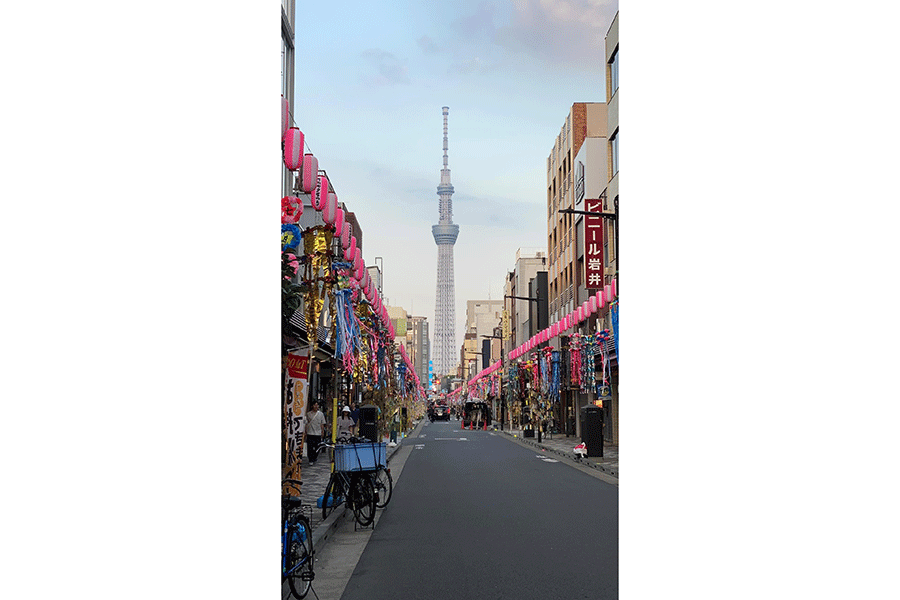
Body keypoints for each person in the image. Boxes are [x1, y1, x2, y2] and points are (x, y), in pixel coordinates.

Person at [305, 400, 326, 464]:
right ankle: (311, 459)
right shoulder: (308, 414)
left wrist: (322, 432)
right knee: (310, 447)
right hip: (310, 432)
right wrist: (305, 432)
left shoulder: (321, 414)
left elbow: (322, 424)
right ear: (312, 406)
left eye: (317, 405)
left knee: (317, 447)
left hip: (318, 433)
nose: (316, 406)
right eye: (315, 405)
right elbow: (306, 423)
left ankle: (314, 457)